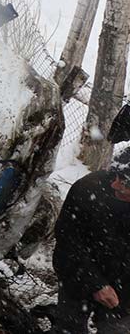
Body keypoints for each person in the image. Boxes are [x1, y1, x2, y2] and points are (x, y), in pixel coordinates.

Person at [52, 143, 130, 333]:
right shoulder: (89, 189)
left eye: (126, 183)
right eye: (116, 176)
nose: (115, 184)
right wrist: (95, 283)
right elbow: (67, 241)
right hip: (79, 274)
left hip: (124, 287)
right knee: (68, 327)